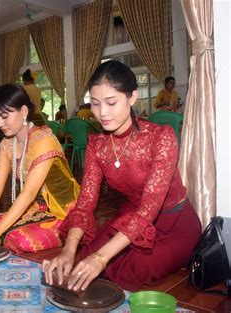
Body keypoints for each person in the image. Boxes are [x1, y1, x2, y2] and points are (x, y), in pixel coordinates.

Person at [42, 60, 201, 292]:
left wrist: (101, 258)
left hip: (174, 225)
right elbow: (85, 203)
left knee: (130, 269)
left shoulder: (161, 137)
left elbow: (148, 209)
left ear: (132, 97)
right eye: (95, 104)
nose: (102, 113)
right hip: (130, 216)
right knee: (84, 257)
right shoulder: (97, 145)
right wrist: (68, 249)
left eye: (111, 102)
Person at [0, 84, 81, 254]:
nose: (0, 123)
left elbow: (28, 193)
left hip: (63, 211)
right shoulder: (7, 144)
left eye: (5, 117)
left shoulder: (44, 141)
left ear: (23, 111)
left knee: (19, 238)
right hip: (37, 208)